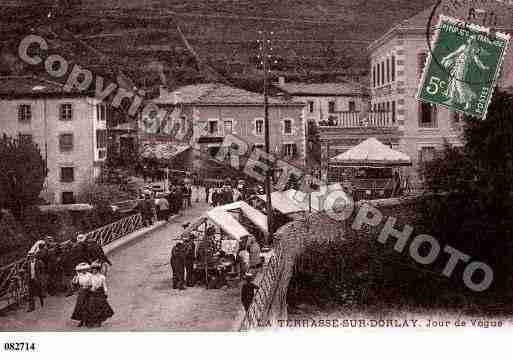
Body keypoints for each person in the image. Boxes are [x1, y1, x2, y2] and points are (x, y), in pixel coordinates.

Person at [88, 261, 114, 327]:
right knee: (91, 306)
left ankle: (99, 321)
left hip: (100, 292)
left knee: (100, 306)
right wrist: (91, 288)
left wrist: (105, 292)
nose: (94, 271)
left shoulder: (102, 277)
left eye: (95, 270)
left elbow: (104, 286)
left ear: (98, 270)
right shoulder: (91, 277)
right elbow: (89, 284)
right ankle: (93, 321)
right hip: (93, 293)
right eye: (93, 270)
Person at [71, 262, 92, 327]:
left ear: (87, 269)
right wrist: (74, 280)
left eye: (85, 269)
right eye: (82, 269)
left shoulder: (90, 275)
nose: (83, 270)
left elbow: (93, 282)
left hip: (89, 291)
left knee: (88, 305)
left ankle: (88, 320)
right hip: (82, 292)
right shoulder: (78, 276)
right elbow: (74, 284)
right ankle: (82, 320)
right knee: (80, 306)